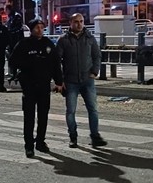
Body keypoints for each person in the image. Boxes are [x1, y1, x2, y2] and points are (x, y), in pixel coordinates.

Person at [54, 13, 107, 148]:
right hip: (71, 81)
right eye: (76, 22)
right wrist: (60, 81)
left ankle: (95, 136)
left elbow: (97, 56)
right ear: (70, 23)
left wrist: (94, 72)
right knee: (70, 111)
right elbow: (56, 61)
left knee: (93, 109)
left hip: (87, 80)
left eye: (81, 21)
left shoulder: (89, 38)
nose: (79, 24)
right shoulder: (63, 40)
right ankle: (73, 136)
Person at [10, 19, 61, 158]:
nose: (40, 30)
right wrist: (29, 64)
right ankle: (29, 145)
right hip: (29, 86)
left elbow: (56, 64)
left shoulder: (48, 44)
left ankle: (40, 142)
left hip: (44, 85)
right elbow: (13, 61)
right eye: (37, 27)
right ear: (31, 29)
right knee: (29, 117)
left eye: (42, 27)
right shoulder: (24, 44)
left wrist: (59, 82)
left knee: (43, 116)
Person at [5, 6, 25, 82]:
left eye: (6, 10)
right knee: (12, 58)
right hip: (11, 41)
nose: (5, 11)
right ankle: (13, 74)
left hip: (17, 40)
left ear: (9, 9)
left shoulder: (17, 16)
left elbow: (18, 28)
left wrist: (10, 31)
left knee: (18, 58)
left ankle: (19, 74)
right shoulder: (10, 17)